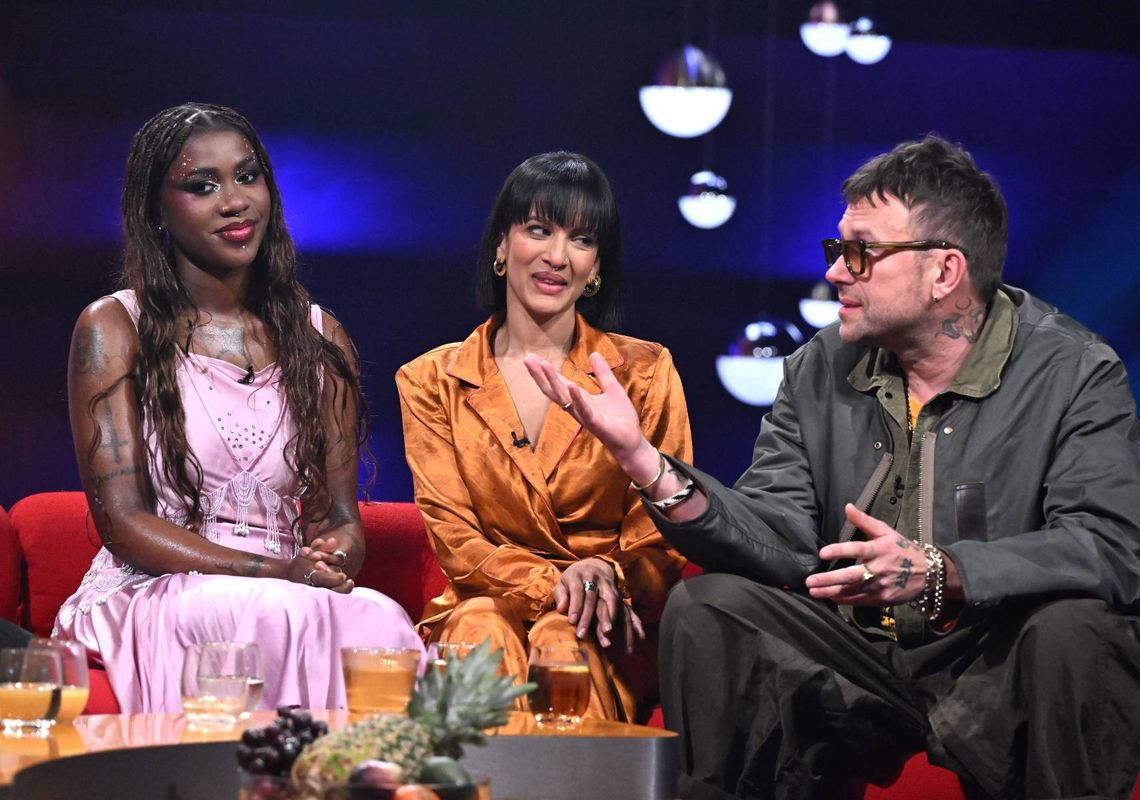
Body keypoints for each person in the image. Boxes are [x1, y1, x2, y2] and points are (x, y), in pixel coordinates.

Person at [526, 135, 1140, 799]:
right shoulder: (818, 367)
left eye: (860, 253)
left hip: (998, 660)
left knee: (1077, 626)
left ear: (945, 272)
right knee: (709, 606)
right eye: (838, 251)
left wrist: (946, 573)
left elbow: (1115, 545)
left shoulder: (1072, 372)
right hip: (867, 658)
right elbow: (778, 531)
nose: (835, 272)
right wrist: (645, 463)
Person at [55, 103, 423, 713]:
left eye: (247, 176)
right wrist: (275, 573)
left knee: (379, 622)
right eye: (203, 186)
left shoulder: (319, 336)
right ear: (156, 210)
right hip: (158, 588)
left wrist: (333, 554)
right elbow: (123, 525)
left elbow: (338, 515)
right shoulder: (115, 326)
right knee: (273, 612)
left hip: (287, 589)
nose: (235, 201)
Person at [396, 151, 692, 722]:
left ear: (597, 265)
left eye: (581, 239)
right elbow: (457, 543)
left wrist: (604, 580)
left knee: (563, 641)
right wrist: (556, 581)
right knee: (480, 627)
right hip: (485, 606)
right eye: (538, 230)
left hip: (604, 620)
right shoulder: (431, 379)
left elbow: (661, 541)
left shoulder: (645, 372)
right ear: (502, 247)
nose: (557, 256)